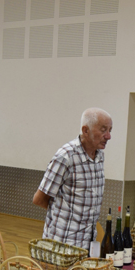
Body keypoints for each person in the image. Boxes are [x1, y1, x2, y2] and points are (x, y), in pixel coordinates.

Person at [33, 107, 113, 251]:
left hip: (88, 244)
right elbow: (39, 199)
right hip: (63, 245)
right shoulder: (66, 157)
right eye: (103, 130)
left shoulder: (100, 156)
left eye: (110, 130)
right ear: (85, 130)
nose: (108, 136)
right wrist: (66, 216)